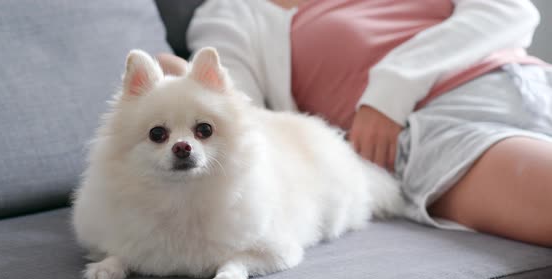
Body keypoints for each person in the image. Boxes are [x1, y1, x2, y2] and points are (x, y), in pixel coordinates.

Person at [158, 0, 552, 247]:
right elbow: (243, 120)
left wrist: (390, 88)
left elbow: (511, 10)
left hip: (532, 80)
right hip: (441, 128)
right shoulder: (234, 14)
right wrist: (183, 86)